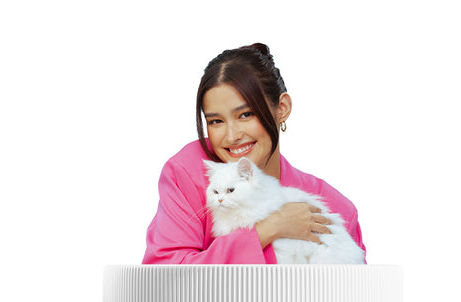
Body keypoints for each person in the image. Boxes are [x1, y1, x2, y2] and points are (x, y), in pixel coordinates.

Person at [142, 43, 367, 264]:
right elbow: (164, 273)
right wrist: (267, 230)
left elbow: (353, 285)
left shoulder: (335, 207)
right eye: (216, 121)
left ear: (282, 109)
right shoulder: (187, 172)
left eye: (246, 114)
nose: (232, 136)